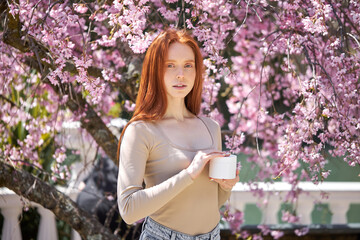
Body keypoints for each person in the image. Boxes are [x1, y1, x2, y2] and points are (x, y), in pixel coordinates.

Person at [117, 28, 239, 240]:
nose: (180, 74)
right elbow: (128, 210)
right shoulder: (140, 130)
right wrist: (189, 174)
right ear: (155, 71)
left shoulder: (211, 127)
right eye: (170, 65)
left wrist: (226, 186)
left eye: (188, 66)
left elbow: (213, 202)